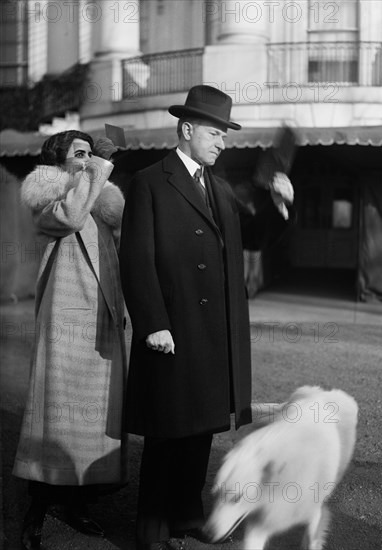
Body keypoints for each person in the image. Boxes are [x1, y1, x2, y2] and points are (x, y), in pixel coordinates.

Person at [119, 85, 294, 550]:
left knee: (199, 433)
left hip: (216, 334)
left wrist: (278, 206)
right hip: (173, 330)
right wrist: (153, 322)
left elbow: (250, 238)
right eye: (215, 133)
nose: (222, 143)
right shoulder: (150, 181)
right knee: (166, 434)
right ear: (187, 128)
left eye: (225, 135)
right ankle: (153, 529)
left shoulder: (218, 187)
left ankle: (185, 515)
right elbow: (136, 258)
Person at [13, 130, 127, 550]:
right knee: (55, 421)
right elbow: (72, 217)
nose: (88, 159)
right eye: (79, 154)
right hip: (64, 328)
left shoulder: (100, 202)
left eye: (91, 153)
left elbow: (115, 260)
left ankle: (78, 503)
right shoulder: (50, 198)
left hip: (103, 322)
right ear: (59, 162)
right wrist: (97, 167)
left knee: (96, 423)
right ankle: (36, 510)